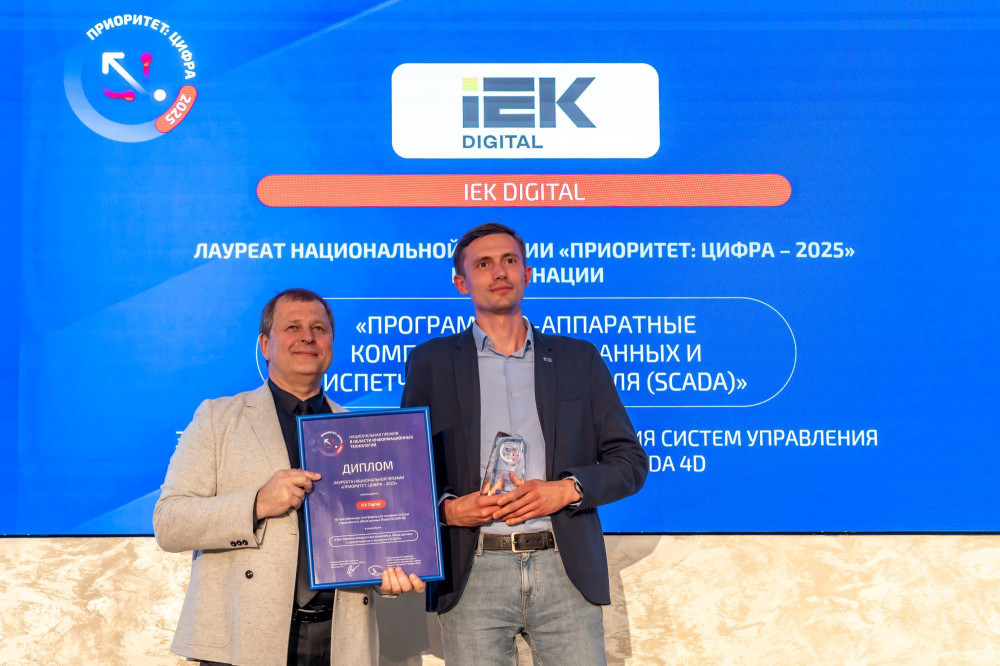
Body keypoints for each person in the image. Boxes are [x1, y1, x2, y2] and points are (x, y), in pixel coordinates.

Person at [400, 224, 648, 665]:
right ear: (461, 283)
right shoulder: (430, 363)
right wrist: (448, 510)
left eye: (509, 260)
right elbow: (410, 473)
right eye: (483, 264)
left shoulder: (578, 359)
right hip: (473, 570)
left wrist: (567, 489)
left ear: (527, 274)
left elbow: (629, 462)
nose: (499, 272)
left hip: (565, 568)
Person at [154, 288, 424, 666]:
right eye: (293, 327)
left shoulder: (364, 434)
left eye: (319, 328)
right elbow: (169, 523)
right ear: (265, 344)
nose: (307, 337)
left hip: (341, 638)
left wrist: (391, 575)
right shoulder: (217, 418)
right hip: (243, 638)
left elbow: (377, 538)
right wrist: (257, 504)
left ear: (331, 344)